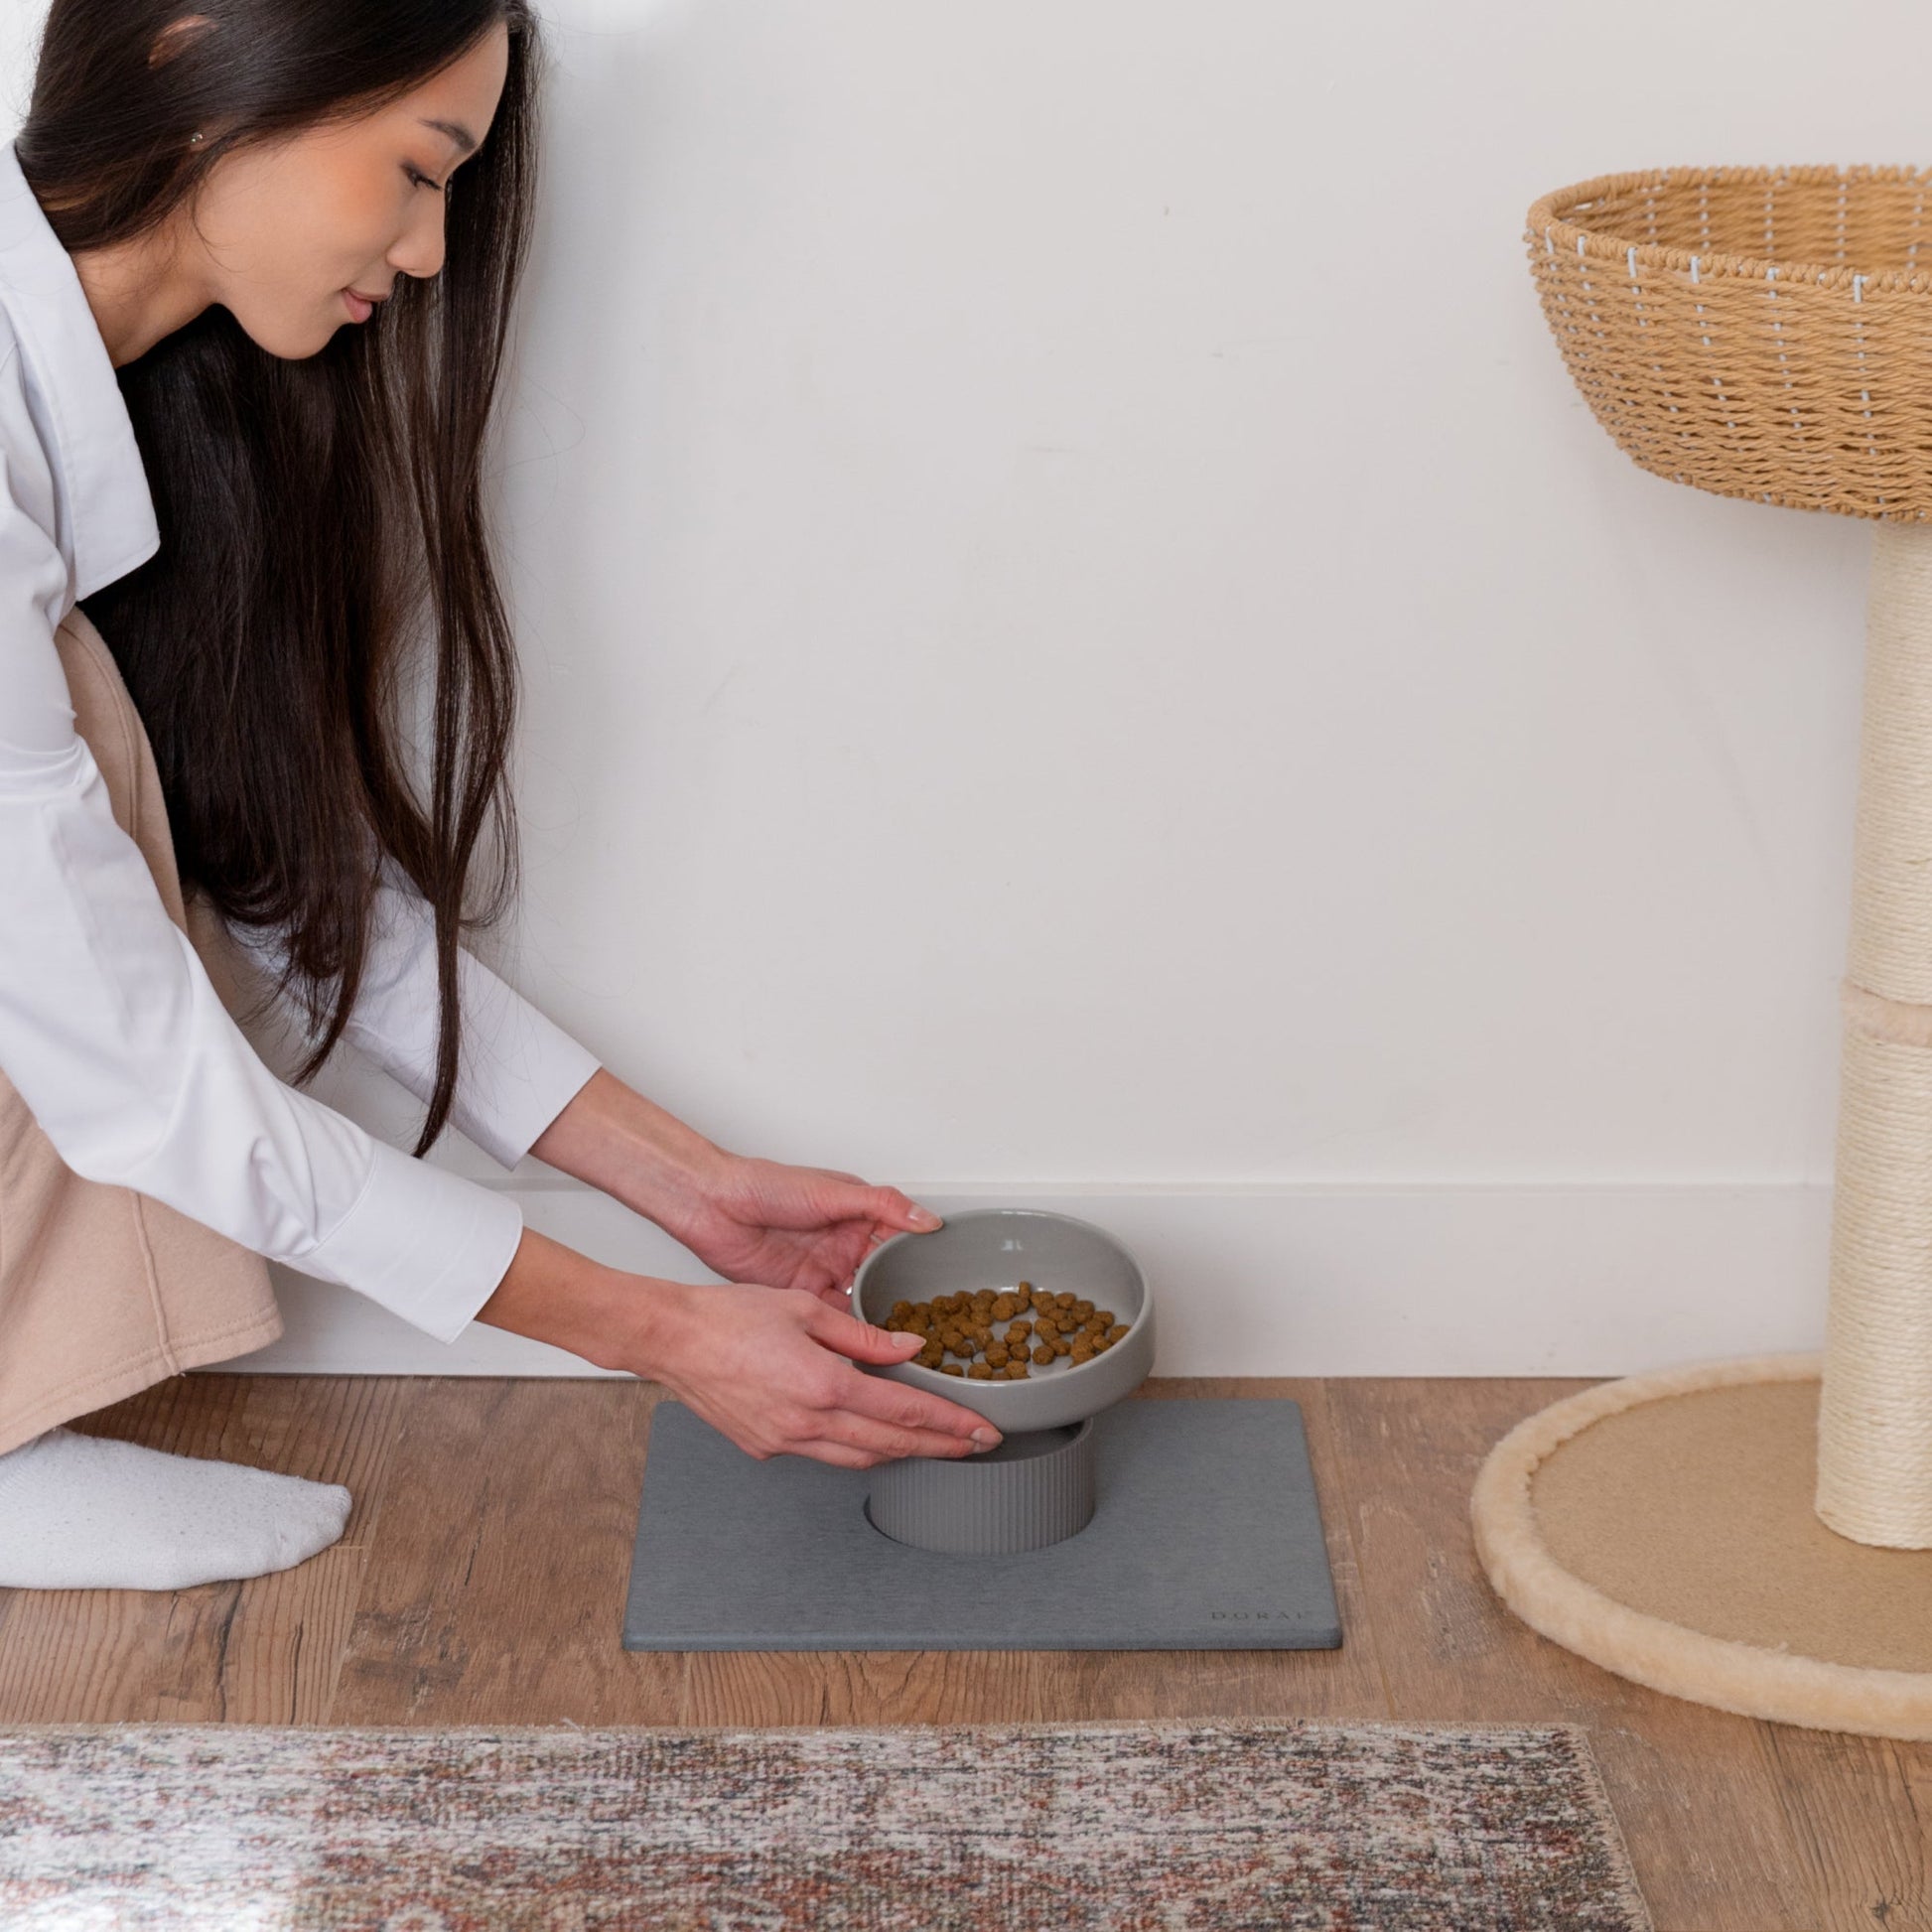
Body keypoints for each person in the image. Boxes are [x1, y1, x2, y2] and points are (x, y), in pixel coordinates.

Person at [0, 0, 998, 1594]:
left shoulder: (124, 405)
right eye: (418, 168)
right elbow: (137, 1069)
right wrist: (660, 1331)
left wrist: (690, 1189)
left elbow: (281, 873)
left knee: (104, 757)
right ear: (193, 54)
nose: (427, 252)